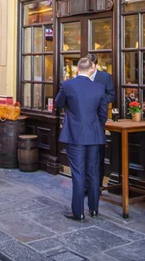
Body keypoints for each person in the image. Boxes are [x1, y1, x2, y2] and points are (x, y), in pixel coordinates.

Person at [55, 57, 107, 221]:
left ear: (77, 69)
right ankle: (94, 209)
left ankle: (78, 212)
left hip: (75, 134)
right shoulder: (99, 88)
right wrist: (98, 126)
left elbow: (58, 103)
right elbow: (103, 114)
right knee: (93, 172)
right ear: (91, 69)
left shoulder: (68, 85)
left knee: (78, 173)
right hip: (94, 135)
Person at [88, 53, 115, 188]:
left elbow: (112, 95)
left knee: (98, 154)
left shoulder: (105, 77)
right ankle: (87, 186)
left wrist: (100, 100)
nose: (90, 69)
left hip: (99, 119)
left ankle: (97, 186)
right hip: (85, 120)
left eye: (92, 66)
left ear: (96, 65)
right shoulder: (83, 76)